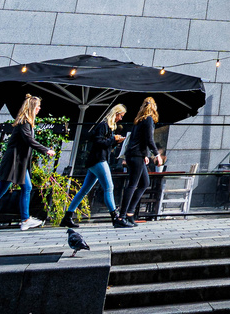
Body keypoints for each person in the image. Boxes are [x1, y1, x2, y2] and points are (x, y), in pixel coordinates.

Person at [0, 95, 50, 233]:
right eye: (38, 106)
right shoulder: (24, 123)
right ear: (32, 108)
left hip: (20, 163)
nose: (39, 109)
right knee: (0, 191)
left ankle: (25, 220)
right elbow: (29, 140)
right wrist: (46, 150)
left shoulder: (26, 123)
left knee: (27, 187)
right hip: (13, 163)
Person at [63, 103, 128, 229]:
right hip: (99, 161)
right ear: (116, 114)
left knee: (84, 190)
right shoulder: (103, 126)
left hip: (96, 161)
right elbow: (98, 142)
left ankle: (67, 216)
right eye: (121, 115)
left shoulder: (108, 127)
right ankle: (115, 217)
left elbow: (105, 145)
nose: (121, 118)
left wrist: (115, 142)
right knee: (109, 187)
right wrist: (113, 140)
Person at [119, 96, 160, 224]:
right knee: (133, 184)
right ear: (154, 107)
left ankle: (129, 213)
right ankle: (122, 217)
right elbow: (149, 139)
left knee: (144, 183)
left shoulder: (138, 121)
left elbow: (139, 140)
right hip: (136, 156)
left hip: (135, 155)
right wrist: (156, 154)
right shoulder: (148, 120)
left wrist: (146, 155)